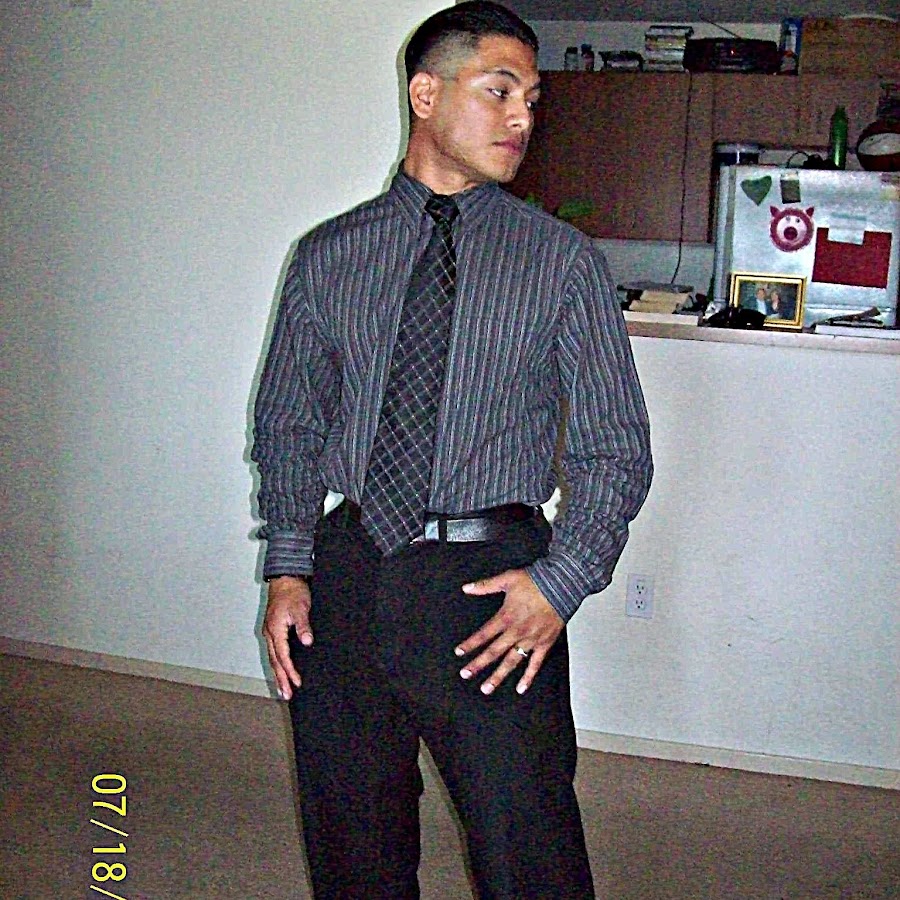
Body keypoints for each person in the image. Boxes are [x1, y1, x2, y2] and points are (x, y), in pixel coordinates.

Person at [250, 3, 652, 897]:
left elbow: (614, 446)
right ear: (425, 95)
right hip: (347, 571)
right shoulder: (329, 255)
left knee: (529, 849)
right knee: (352, 845)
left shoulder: (561, 262)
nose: (522, 118)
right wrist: (288, 564)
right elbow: (289, 424)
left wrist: (562, 580)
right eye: (499, 91)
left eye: (532, 100)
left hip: (490, 585)